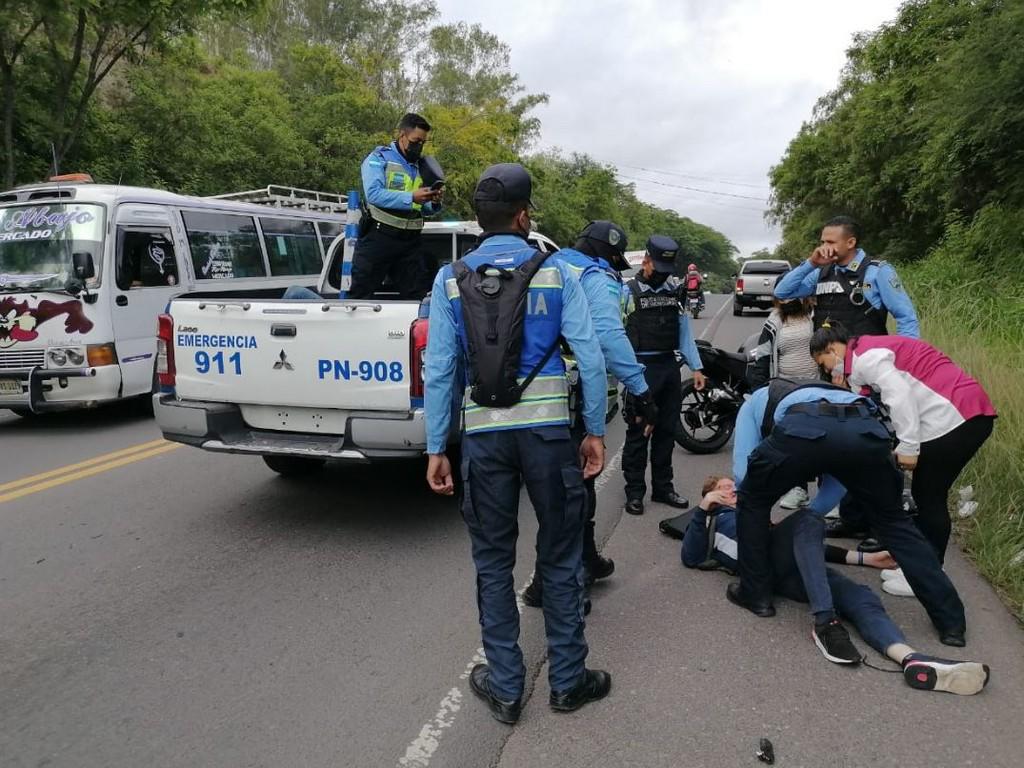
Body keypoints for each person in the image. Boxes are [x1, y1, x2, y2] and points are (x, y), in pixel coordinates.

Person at [423, 163, 611, 724]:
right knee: (560, 554)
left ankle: (505, 687)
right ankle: (568, 682)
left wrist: (437, 447)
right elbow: (591, 359)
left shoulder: (450, 279)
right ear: (524, 216)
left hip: (484, 439)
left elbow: (441, 370)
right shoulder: (558, 273)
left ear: (479, 219)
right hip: (550, 436)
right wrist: (595, 431)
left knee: (492, 560)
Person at [681, 477, 990, 694]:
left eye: (734, 486)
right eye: (724, 488)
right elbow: (691, 557)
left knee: (860, 595)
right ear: (711, 495)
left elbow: (807, 547)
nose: (732, 489)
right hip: (760, 569)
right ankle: (825, 622)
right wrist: (704, 507)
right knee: (807, 518)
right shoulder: (715, 520)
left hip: (791, 573)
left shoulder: (757, 516)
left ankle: (909, 658)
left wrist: (865, 559)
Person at [727, 378, 969, 650]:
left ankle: (755, 594)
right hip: (865, 429)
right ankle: (951, 622)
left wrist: (793, 521)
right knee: (894, 523)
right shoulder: (832, 393)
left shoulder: (752, 404)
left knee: (751, 501)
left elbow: (743, 474)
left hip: (803, 427)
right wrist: (812, 515)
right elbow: (838, 476)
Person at [522, 221, 656, 610]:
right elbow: (608, 339)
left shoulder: (547, 265)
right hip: (575, 397)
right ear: (608, 255)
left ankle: (579, 563)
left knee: (560, 489)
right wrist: (641, 389)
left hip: (533, 398)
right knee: (575, 489)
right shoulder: (596, 278)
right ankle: (566, 580)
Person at [810, 323, 997, 597]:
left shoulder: (867, 358)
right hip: (957, 415)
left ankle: (928, 577)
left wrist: (908, 445)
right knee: (926, 495)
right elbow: (873, 402)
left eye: (823, 364)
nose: (827, 371)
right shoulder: (863, 354)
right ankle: (920, 567)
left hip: (956, 416)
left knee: (929, 496)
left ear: (832, 349)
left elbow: (899, 396)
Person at [774, 215, 920, 541]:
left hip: (870, 374)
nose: (824, 246)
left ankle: (881, 524)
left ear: (850, 242)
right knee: (836, 445)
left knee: (873, 448)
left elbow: (906, 319)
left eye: (831, 241)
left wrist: (905, 365)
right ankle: (851, 517)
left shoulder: (876, 273)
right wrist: (810, 263)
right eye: (822, 241)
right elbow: (783, 292)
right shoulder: (821, 272)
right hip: (831, 376)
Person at [621, 236, 706, 516]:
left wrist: (696, 367)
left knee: (667, 431)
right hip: (640, 370)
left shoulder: (674, 291)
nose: (661, 274)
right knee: (638, 432)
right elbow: (615, 333)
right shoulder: (627, 292)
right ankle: (634, 492)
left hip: (669, 367)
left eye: (666, 269)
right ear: (645, 261)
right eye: (657, 267)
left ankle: (663, 488)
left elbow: (684, 332)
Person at [347, 113, 443, 299]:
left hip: (411, 242)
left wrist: (434, 201)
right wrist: (411, 197)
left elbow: (422, 208)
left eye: (423, 142)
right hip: (379, 237)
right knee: (360, 296)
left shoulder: (423, 166)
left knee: (419, 298)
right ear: (402, 135)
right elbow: (374, 194)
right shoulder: (379, 158)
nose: (419, 146)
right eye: (416, 141)